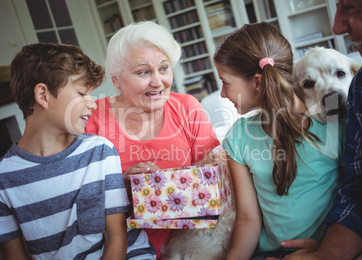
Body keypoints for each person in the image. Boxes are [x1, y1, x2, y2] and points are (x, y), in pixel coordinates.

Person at [272, 0, 362, 259]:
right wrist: (327, 254)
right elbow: (357, 191)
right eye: (309, 84)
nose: (338, 25)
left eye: (351, 5)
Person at [0, 43, 156, 259]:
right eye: (82, 93)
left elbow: (117, 237)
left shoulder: (100, 152)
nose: (92, 104)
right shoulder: (4, 178)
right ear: (43, 95)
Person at [212, 22, 347, 260]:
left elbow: (355, 195)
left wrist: (329, 249)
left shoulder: (331, 125)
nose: (222, 94)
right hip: (268, 255)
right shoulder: (237, 137)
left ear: (256, 82)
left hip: (326, 250)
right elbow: (248, 218)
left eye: (225, 83)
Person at [85, 21, 220, 259]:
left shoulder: (188, 107)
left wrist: (166, 185)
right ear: (116, 79)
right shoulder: (90, 117)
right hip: (118, 249)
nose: (158, 82)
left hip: (187, 246)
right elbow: (73, 196)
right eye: (144, 72)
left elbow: (214, 184)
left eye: (164, 68)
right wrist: (119, 187)